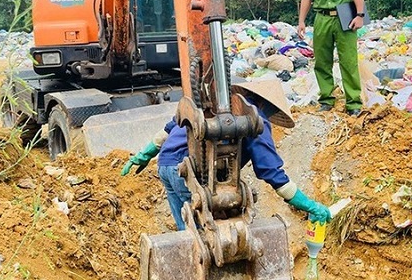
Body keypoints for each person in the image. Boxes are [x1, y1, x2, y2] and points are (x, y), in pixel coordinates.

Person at [121, 80, 332, 231]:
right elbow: (271, 172)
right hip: (189, 173)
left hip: (166, 166)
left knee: (186, 234)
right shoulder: (253, 119)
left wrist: (145, 154)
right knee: (206, 237)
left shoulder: (213, 103)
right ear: (263, 104)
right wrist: (309, 205)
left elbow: (170, 128)